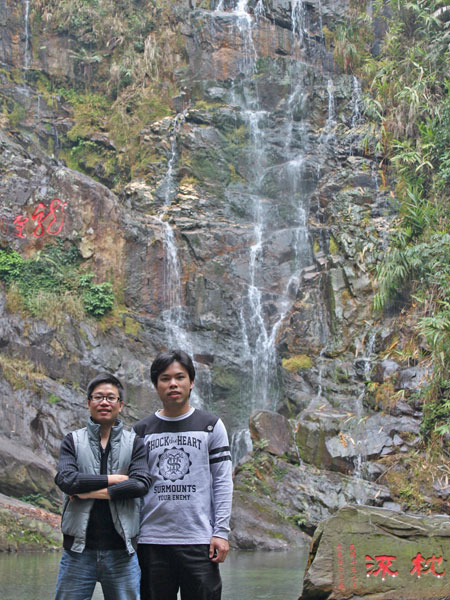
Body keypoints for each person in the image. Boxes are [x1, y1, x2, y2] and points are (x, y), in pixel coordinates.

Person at [134, 349, 233, 600]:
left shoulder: (211, 426)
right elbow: (134, 485)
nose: (173, 384)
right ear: (155, 385)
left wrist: (221, 532)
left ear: (191, 382)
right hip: (151, 541)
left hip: (199, 540)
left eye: (180, 377)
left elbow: (222, 481)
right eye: (165, 378)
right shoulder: (142, 430)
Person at [54, 372, 151, 600]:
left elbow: (141, 484)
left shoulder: (135, 443)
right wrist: (113, 479)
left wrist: (86, 493)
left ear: (120, 405)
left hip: (122, 553)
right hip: (77, 552)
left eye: (110, 397)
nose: (104, 402)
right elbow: (66, 480)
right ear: (89, 403)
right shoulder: (72, 441)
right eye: (98, 397)